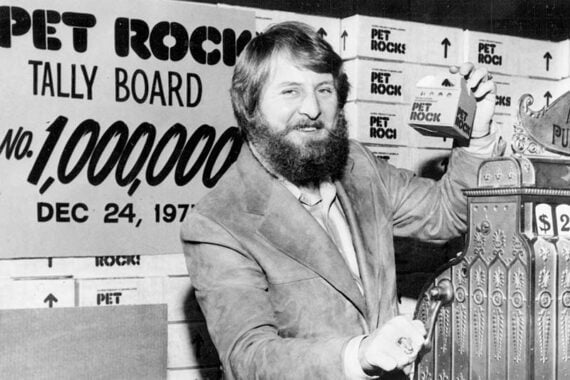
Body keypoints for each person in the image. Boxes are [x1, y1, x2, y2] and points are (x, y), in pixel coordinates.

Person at [181, 21, 499, 379]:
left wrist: (477, 130)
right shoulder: (218, 221)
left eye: (324, 89)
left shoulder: (357, 165)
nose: (313, 109)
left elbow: (447, 213)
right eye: (290, 92)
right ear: (249, 107)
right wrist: (359, 354)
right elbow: (250, 357)